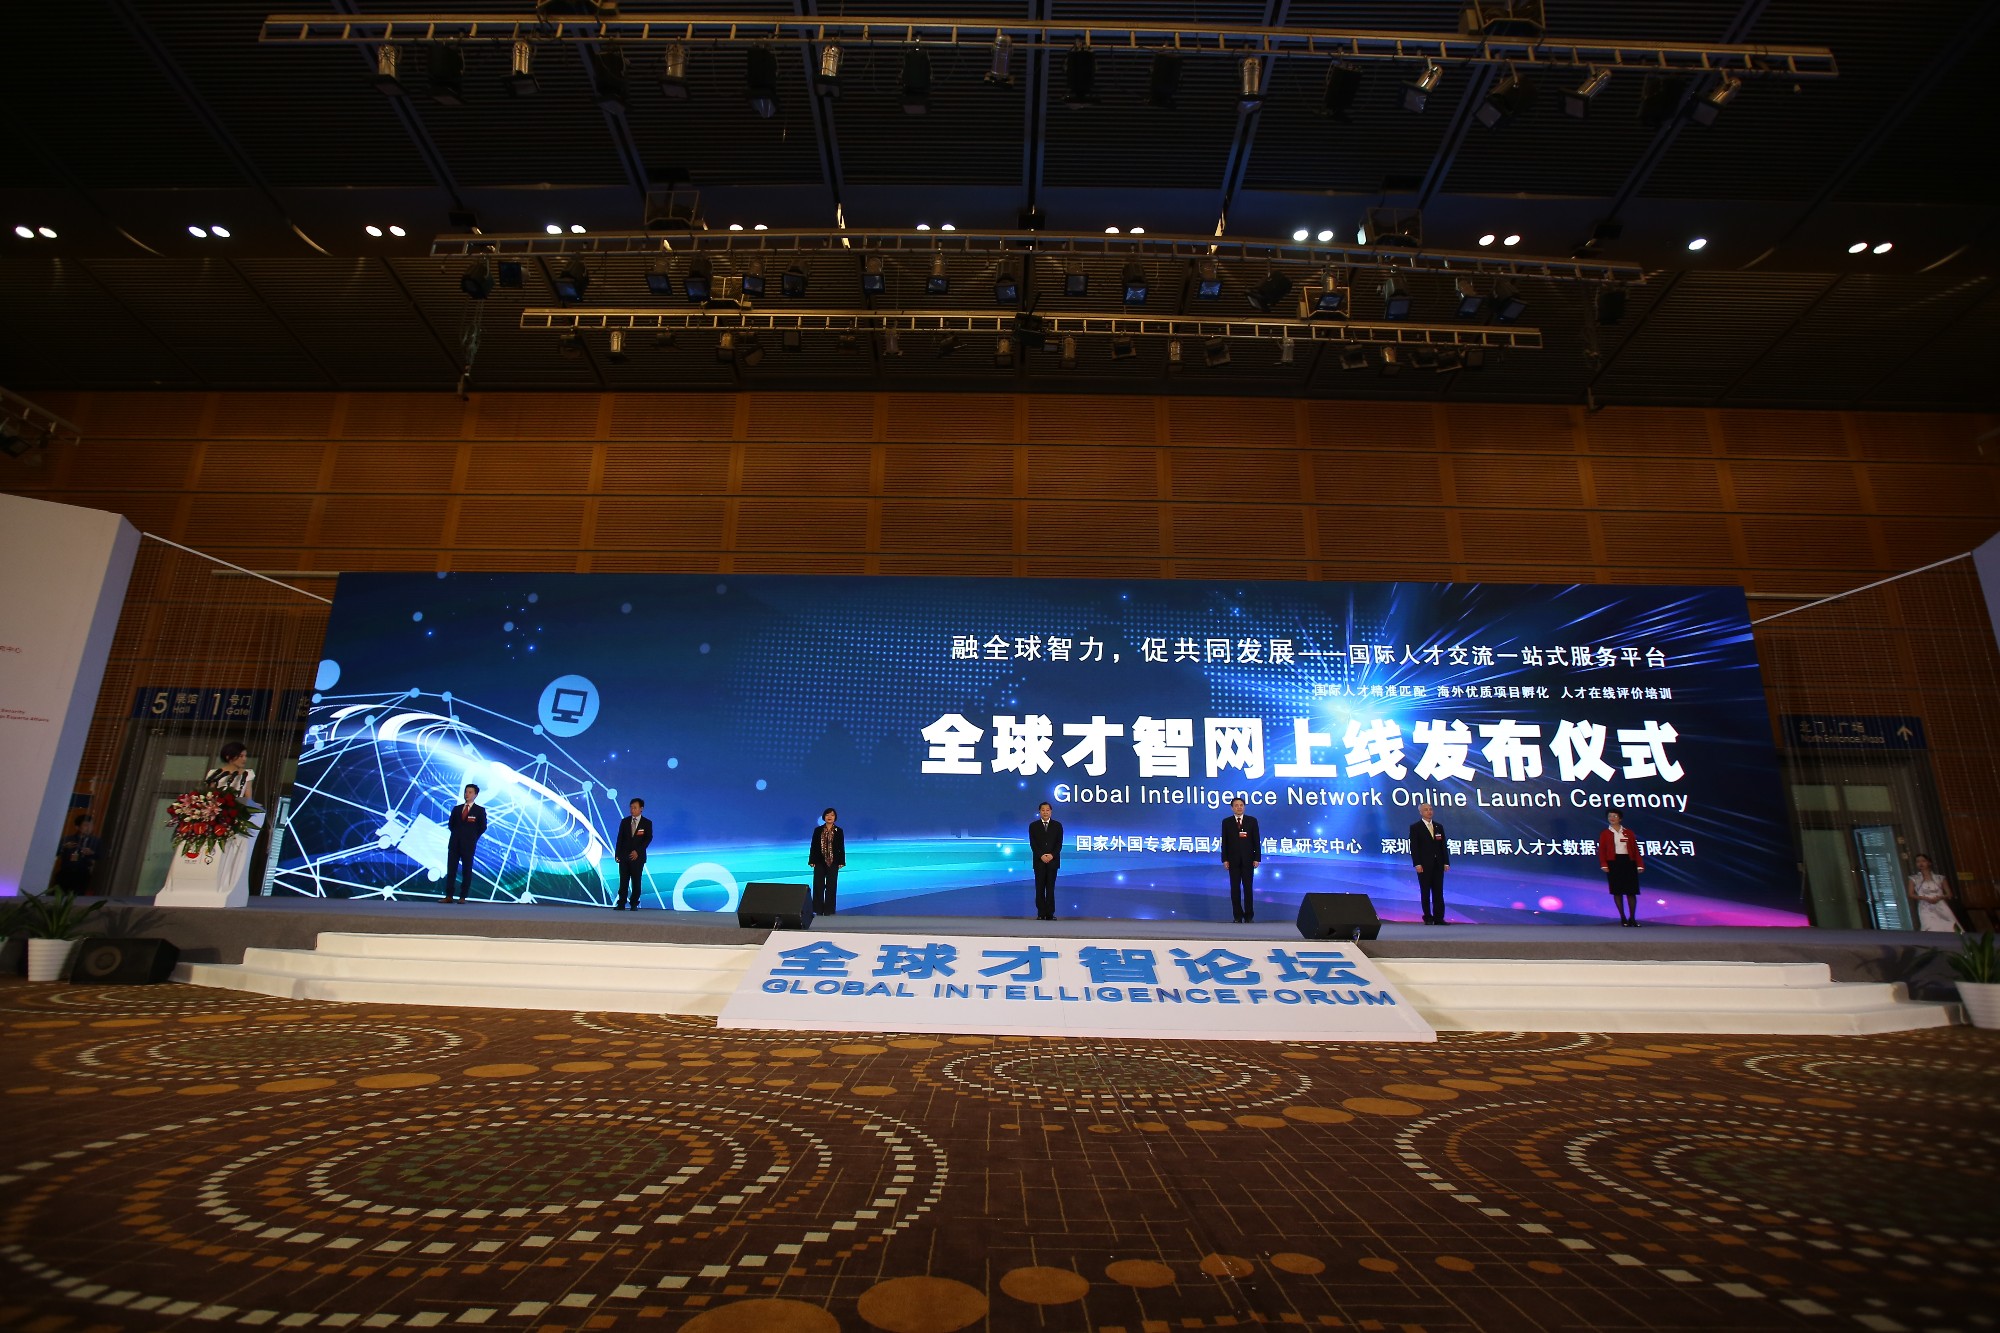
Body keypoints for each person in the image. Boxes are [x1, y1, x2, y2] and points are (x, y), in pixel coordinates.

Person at [1597, 811, 1644, 926]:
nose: (1612, 818)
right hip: (1613, 862)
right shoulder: (1605, 833)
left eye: (1615, 816)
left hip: (1628, 862)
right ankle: (1623, 918)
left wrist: (1640, 864)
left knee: (1631, 891)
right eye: (1610, 816)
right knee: (1617, 891)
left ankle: (1632, 918)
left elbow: (1635, 849)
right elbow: (1602, 850)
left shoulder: (1628, 832)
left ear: (1620, 819)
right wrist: (1604, 864)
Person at [1220, 796, 1261, 923]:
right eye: (1236, 805)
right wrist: (1225, 859)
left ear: (1244, 807)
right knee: (1235, 889)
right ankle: (1237, 916)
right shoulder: (1226, 822)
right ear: (1232, 808)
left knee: (1248, 888)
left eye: (1241, 805)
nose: (1239, 807)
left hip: (1249, 860)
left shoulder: (1252, 821)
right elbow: (1224, 842)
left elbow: (1256, 841)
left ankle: (1249, 916)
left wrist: (1257, 858)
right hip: (1233, 861)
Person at [444, 783, 487, 903]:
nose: (467, 794)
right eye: (466, 791)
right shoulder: (457, 809)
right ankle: (449, 896)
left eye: (470, 792)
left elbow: (482, 827)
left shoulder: (479, 810)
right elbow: (451, 825)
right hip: (454, 844)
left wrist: (472, 837)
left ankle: (462, 897)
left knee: (466, 871)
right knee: (451, 870)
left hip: (468, 845)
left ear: (475, 795)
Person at [1408, 802, 1450, 925]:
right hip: (1424, 865)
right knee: (1425, 891)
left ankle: (1439, 918)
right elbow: (1414, 848)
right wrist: (1417, 863)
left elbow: (1443, 846)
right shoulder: (1415, 827)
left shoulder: (1438, 827)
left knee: (1438, 892)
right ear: (1421, 812)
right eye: (1426, 810)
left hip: (1438, 864)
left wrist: (1446, 862)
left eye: (1430, 809)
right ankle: (1427, 917)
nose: (1429, 811)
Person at [613, 797, 653, 910]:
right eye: (631, 807)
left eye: (635, 808)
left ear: (641, 809)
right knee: (623, 881)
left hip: (638, 857)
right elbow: (620, 839)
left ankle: (634, 903)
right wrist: (617, 854)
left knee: (636, 881)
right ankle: (621, 903)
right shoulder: (625, 821)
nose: (632, 810)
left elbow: (648, 839)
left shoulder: (647, 823)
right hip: (624, 856)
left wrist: (637, 851)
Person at [1028, 801, 1063, 921]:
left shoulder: (1057, 825)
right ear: (1039, 812)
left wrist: (1052, 855)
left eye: (1047, 810)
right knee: (1039, 888)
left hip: (1053, 862)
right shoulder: (1033, 826)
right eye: (1043, 810)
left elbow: (1059, 844)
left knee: (1050, 888)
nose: (1045, 812)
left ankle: (1050, 913)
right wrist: (1041, 855)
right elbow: (1033, 844)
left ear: (1051, 812)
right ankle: (1041, 913)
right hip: (1039, 861)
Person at [807, 807, 846, 916]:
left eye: (832, 815)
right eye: (827, 815)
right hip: (819, 861)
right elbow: (814, 846)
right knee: (818, 885)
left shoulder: (839, 831)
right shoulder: (818, 830)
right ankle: (818, 909)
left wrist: (841, 861)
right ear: (824, 817)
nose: (830, 817)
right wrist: (812, 860)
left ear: (835, 818)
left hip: (833, 862)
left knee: (831, 886)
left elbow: (841, 847)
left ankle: (829, 910)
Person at [1907, 853, 1957, 933]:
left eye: (1923, 861)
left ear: (1929, 862)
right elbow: (1911, 894)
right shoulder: (1914, 878)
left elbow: (1949, 894)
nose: (1920, 863)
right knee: (1930, 926)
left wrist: (1940, 897)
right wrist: (1924, 898)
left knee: (1949, 926)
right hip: (1925, 905)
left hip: (1940, 904)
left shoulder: (1940, 878)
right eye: (1918, 861)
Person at [53, 814, 100, 895]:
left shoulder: (95, 841)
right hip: (65, 873)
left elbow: (100, 856)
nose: (89, 828)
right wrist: (64, 847)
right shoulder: (67, 839)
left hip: (82, 874)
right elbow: (54, 853)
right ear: (77, 827)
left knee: (77, 897)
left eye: (91, 825)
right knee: (58, 895)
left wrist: (92, 853)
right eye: (86, 825)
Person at [206, 741, 256, 807]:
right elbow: (209, 795)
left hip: (237, 809)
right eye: (241, 756)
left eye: (245, 756)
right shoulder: (214, 773)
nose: (244, 759)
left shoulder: (247, 773)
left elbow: (248, 799)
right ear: (228, 757)